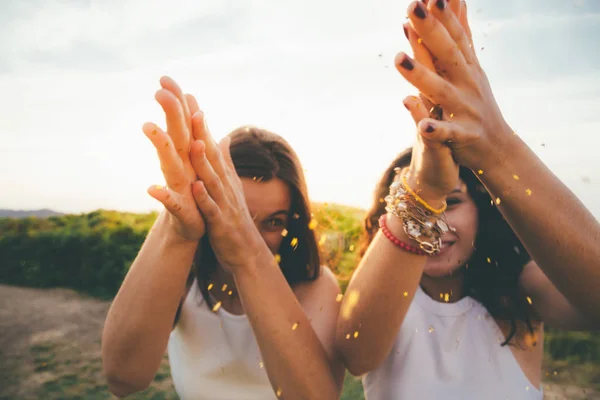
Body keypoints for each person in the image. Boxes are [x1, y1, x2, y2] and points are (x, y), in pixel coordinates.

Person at [335, 1, 600, 399]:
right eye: (417, 206)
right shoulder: (386, 296)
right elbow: (356, 354)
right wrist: (423, 190)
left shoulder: (518, 287)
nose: (436, 222)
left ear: (483, 210)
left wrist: (494, 145)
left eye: (452, 201)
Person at [101, 77, 344, 400]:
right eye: (235, 213)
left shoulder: (316, 286)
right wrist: (177, 229)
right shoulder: (185, 277)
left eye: (273, 222)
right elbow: (123, 378)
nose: (246, 233)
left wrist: (247, 257)